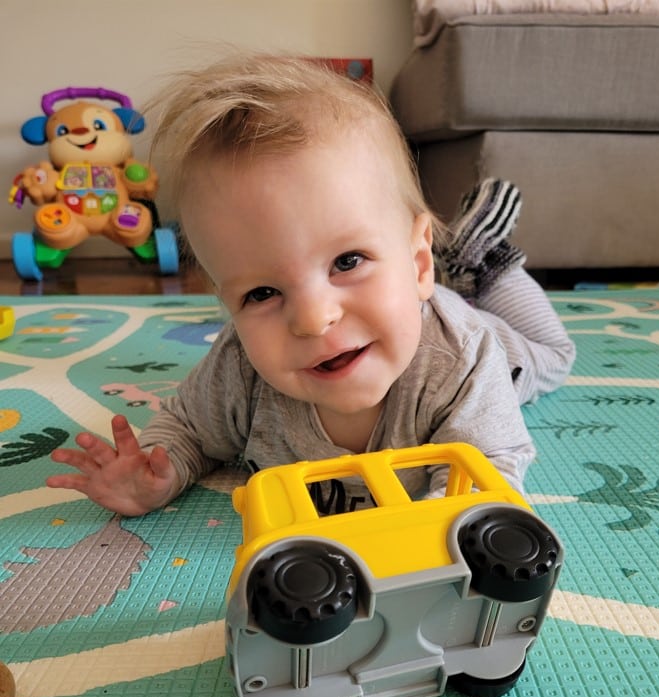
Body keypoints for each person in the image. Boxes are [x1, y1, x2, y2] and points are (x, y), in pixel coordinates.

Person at [46, 52, 575, 517]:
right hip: (412, 293)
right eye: (261, 293)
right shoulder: (240, 369)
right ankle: (439, 262)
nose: (312, 318)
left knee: (557, 354)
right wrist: (154, 474)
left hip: (490, 340)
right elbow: (187, 429)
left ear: (416, 263)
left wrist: (441, 523)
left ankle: (487, 265)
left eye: (348, 261)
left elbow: (486, 478)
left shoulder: (463, 360)